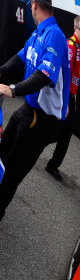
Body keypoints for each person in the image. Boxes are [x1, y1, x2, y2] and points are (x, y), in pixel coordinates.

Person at [0, 0, 70, 228]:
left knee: (14, 169)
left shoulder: (54, 35)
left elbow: (44, 76)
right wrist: (0, 71)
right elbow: (22, 56)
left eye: (30, 6)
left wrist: (11, 89)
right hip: (28, 109)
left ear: (34, 5)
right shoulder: (39, 33)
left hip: (43, 118)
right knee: (0, 154)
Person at [44, 15, 80, 181]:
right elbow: (63, 73)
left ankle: (52, 164)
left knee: (64, 132)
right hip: (65, 96)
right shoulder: (71, 45)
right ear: (75, 28)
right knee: (60, 131)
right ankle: (50, 163)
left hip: (71, 95)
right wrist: (65, 102)